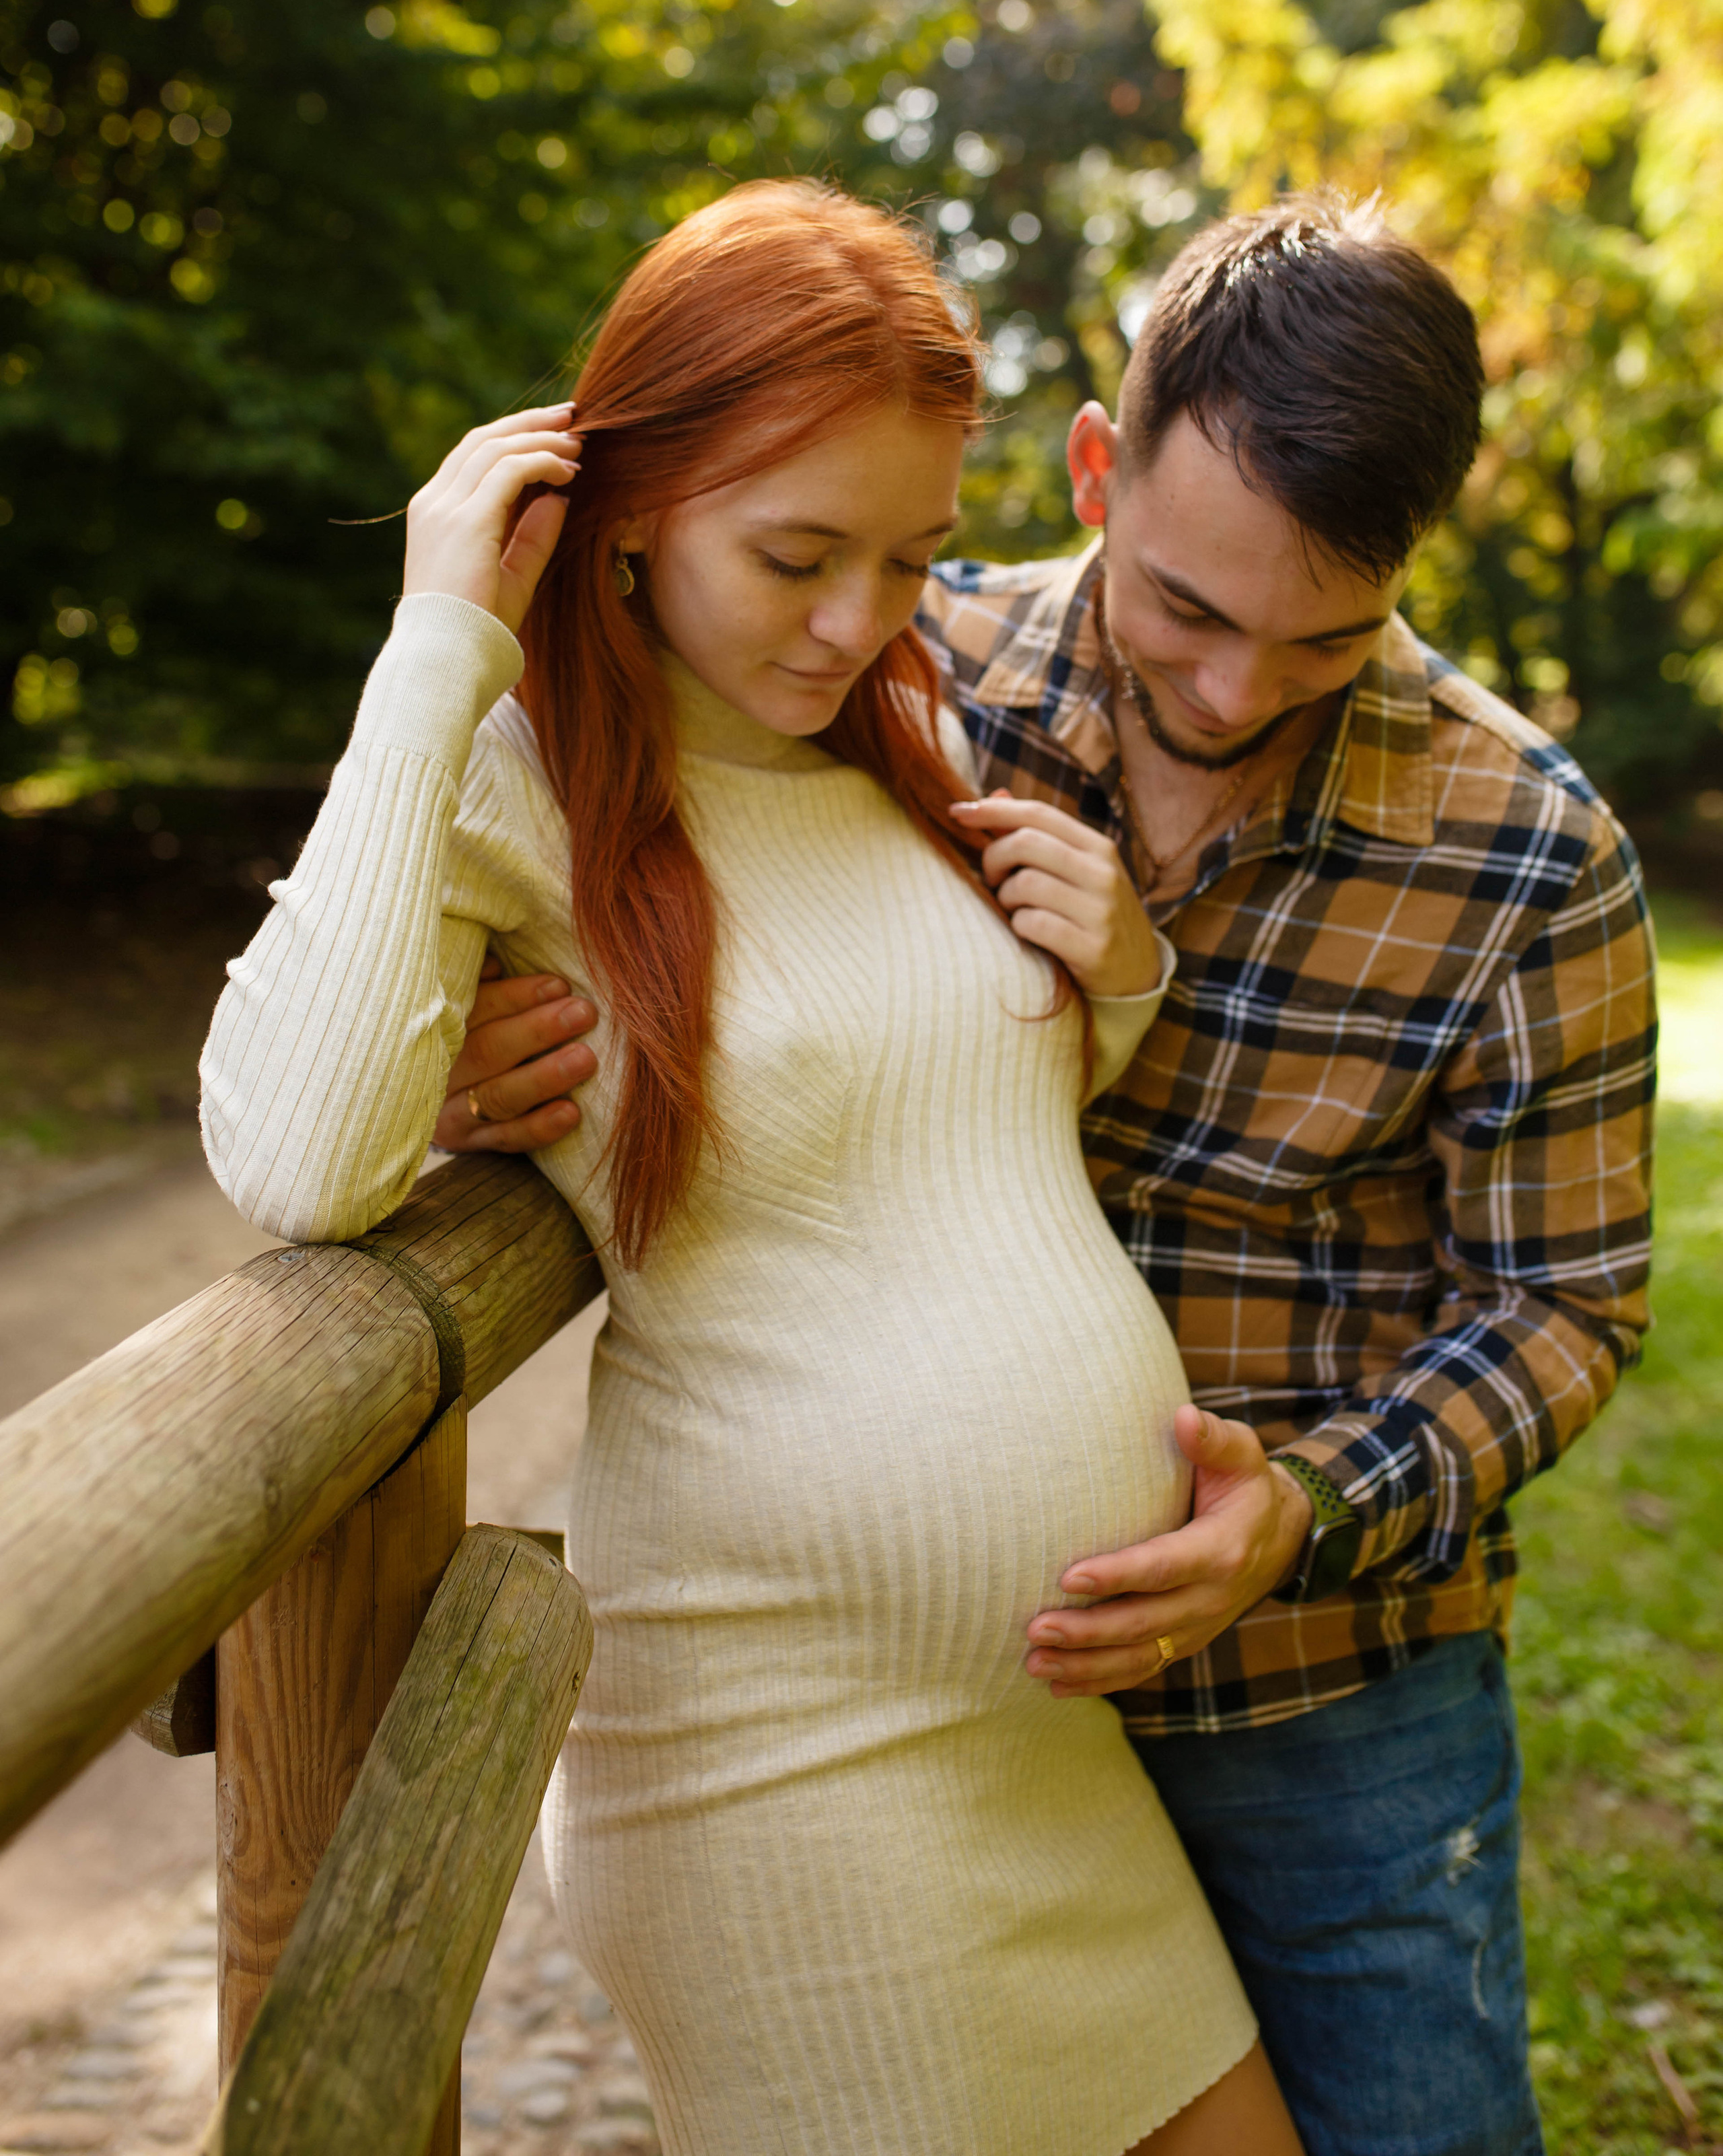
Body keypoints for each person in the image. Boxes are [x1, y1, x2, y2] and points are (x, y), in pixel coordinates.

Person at [448, 194, 1657, 2156]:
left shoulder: (1530, 848)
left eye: (1322, 637)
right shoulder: (891, 671)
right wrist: (460, 1064)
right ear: (1100, 466)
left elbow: (1564, 1301)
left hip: (1328, 1690)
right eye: (1188, 606)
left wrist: (1310, 1510)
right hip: (911, 1714)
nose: (1236, 689)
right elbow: (585, 851)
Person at [200, 179, 1305, 2156]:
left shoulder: (895, 734)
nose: (857, 620)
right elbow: (289, 1149)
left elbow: (911, 1141)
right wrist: (444, 631)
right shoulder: (514, 776)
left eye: (909, 558)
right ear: (626, 503)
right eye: (797, 554)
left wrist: (1112, 987)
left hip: (1037, 1751)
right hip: (782, 1774)